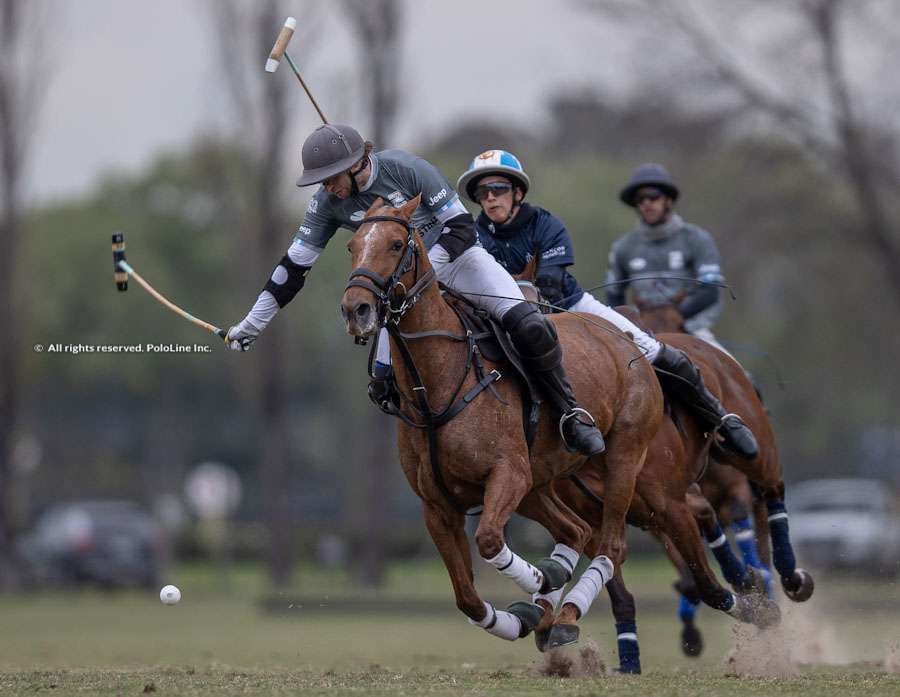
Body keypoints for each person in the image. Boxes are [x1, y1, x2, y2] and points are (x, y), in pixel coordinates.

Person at [225, 124, 605, 456]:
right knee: (382, 379)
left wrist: (425, 270)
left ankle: (571, 413)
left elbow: (461, 228)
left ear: (357, 165)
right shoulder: (327, 203)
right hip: (400, 285)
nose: (326, 188)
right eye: (321, 182)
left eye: (331, 178)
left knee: (529, 323)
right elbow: (292, 268)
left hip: (458, 261)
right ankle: (433, 454)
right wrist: (252, 325)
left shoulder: (408, 170)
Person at [457, 151, 757, 459]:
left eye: (499, 189)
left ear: (517, 192)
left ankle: (720, 419)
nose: (491, 198)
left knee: (649, 348)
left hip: (567, 306)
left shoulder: (546, 224)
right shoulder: (475, 237)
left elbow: (549, 282)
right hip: (505, 319)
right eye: (483, 192)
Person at [607, 163, 728, 353]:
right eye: (640, 198)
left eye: (653, 196)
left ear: (668, 200)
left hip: (690, 328)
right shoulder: (623, 247)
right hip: (641, 332)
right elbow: (614, 295)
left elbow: (711, 290)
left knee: (740, 376)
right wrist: (633, 324)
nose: (647, 203)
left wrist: (672, 318)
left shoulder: (696, 239)